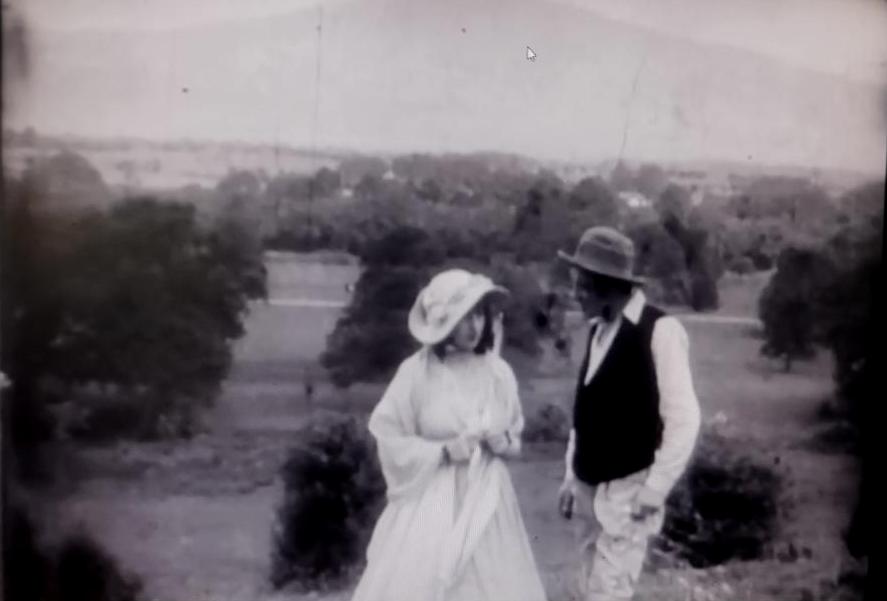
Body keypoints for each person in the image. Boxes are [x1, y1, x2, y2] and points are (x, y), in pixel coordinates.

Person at [352, 269, 547, 601]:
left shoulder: (498, 373)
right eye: (463, 318)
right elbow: (388, 434)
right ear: (443, 324)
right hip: (432, 500)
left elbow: (515, 440)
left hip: (489, 499)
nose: (473, 327)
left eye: (478, 315)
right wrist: (441, 451)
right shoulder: (417, 372)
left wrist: (503, 444)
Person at [555, 227, 701, 601]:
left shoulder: (660, 331)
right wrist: (571, 476)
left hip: (628, 493)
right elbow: (584, 415)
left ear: (610, 285)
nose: (576, 294)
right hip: (588, 489)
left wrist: (656, 488)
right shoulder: (598, 331)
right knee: (581, 590)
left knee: (609, 592)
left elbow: (684, 418)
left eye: (583, 285)